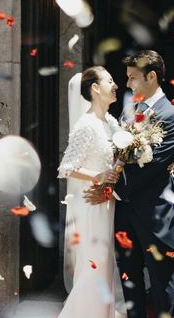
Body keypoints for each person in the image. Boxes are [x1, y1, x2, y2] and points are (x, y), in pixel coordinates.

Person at [84, 50, 174, 318]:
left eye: (132, 78)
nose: (127, 84)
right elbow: (118, 157)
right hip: (124, 216)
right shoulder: (129, 114)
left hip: (155, 215)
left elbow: (152, 168)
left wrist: (111, 190)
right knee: (131, 284)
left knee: (161, 284)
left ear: (151, 77)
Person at [57, 66, 124, 318]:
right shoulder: (86, 125)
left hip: (106, 202)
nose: (115, 84)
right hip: (91, 203)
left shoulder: (110, 122)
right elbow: (66, 168)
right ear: (95, 88)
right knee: (95, 263)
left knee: (105, 263)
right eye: (110, 80)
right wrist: (97, 177)